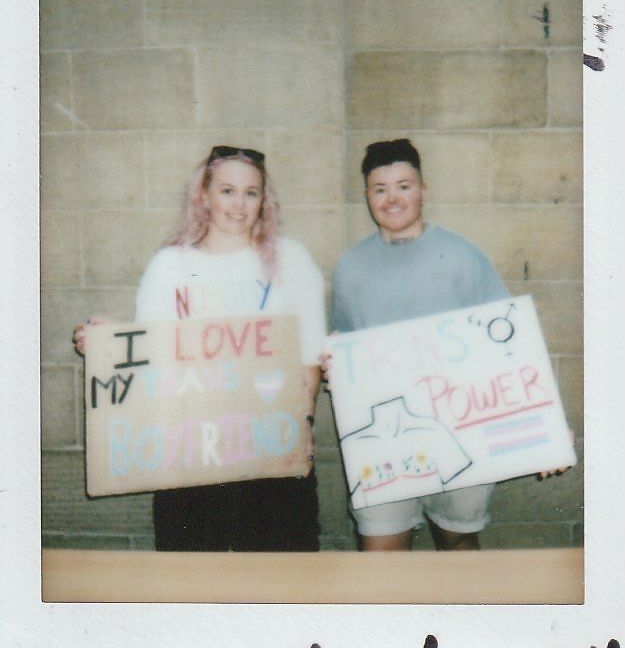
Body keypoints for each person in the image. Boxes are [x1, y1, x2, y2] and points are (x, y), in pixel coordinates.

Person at [73, 145, 326, 552]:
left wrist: (298, 430)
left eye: (251, 192)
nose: (239, 204)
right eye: (227, 190)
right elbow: (155, 356)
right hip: (190, 457)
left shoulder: (292, 261)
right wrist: (110, 344)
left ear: (264, 200)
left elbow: (309, 360)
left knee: (280, 586)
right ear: (204, 194)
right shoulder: (169, 266)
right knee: (192, 582)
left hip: (271, 458)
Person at [330, 138, 511, 553]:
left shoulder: (465, 256)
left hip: (461, 425)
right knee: (381, 554)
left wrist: (546, 427)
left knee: (458, 541)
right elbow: (343, 342)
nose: (392, 199)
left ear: (423, 190)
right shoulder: (350, 268)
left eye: (404, 186)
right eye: (380, 189)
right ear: (367, 197)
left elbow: (510, 343)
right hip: (381, 436)